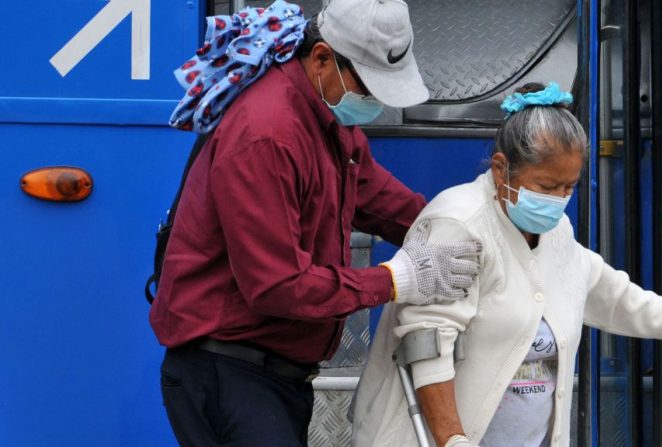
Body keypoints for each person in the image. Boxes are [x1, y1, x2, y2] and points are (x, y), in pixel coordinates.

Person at [149, 0, 481, 445]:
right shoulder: (267, 134)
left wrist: (467, 230)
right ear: (322, 57)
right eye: (369, 87)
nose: (375, 102)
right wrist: (395, 278)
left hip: (269, 374)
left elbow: (381, 199)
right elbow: (276, 285)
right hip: (228, 370)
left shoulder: (330, 122)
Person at [351, 82, 662, 447]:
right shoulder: (459, 224)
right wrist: (452, 441)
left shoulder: (554, 229)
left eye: (568, 186)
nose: (559, 199)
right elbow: (425, 343)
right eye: (546, 186)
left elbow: (590, 280)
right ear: (502, 169)